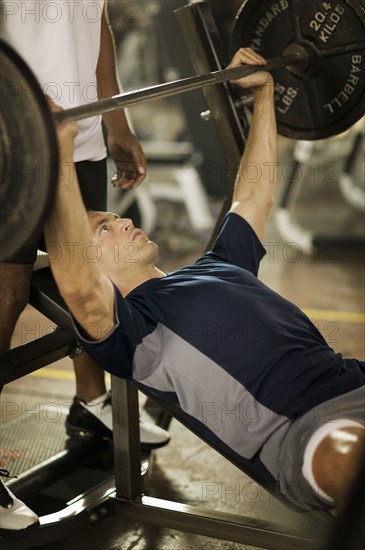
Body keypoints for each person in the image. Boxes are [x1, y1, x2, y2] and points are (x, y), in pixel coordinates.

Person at [45, 47, 364, 516]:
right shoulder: (134, 333)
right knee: (348, 455)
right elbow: (78, 290)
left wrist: (264, 93)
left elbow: (254, 193)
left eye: (115, 216)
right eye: (105, 229)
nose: (124, 221)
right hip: (307, 433)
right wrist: (59, 160)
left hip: (353, 381)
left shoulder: (216, 264)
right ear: (87, 261)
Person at [0, 0, 169, 533]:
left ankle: (91, 401)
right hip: (15, 135)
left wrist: (114, 118)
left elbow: (95, 23)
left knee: (92, 279)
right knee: (6, 292)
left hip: (83, 134)